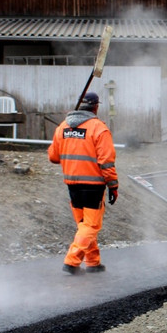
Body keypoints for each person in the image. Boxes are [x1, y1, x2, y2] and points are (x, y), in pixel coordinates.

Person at [47, 91, 118, 275]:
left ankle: (93, 262)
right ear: (96, 107)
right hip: (93, 186)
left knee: (83, 224)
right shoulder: (99, 128)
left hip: (72, 183)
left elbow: (53, 157)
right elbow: (106, 161)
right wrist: (113, 185)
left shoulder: (62, 127)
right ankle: (72, 261)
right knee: (91, 225)